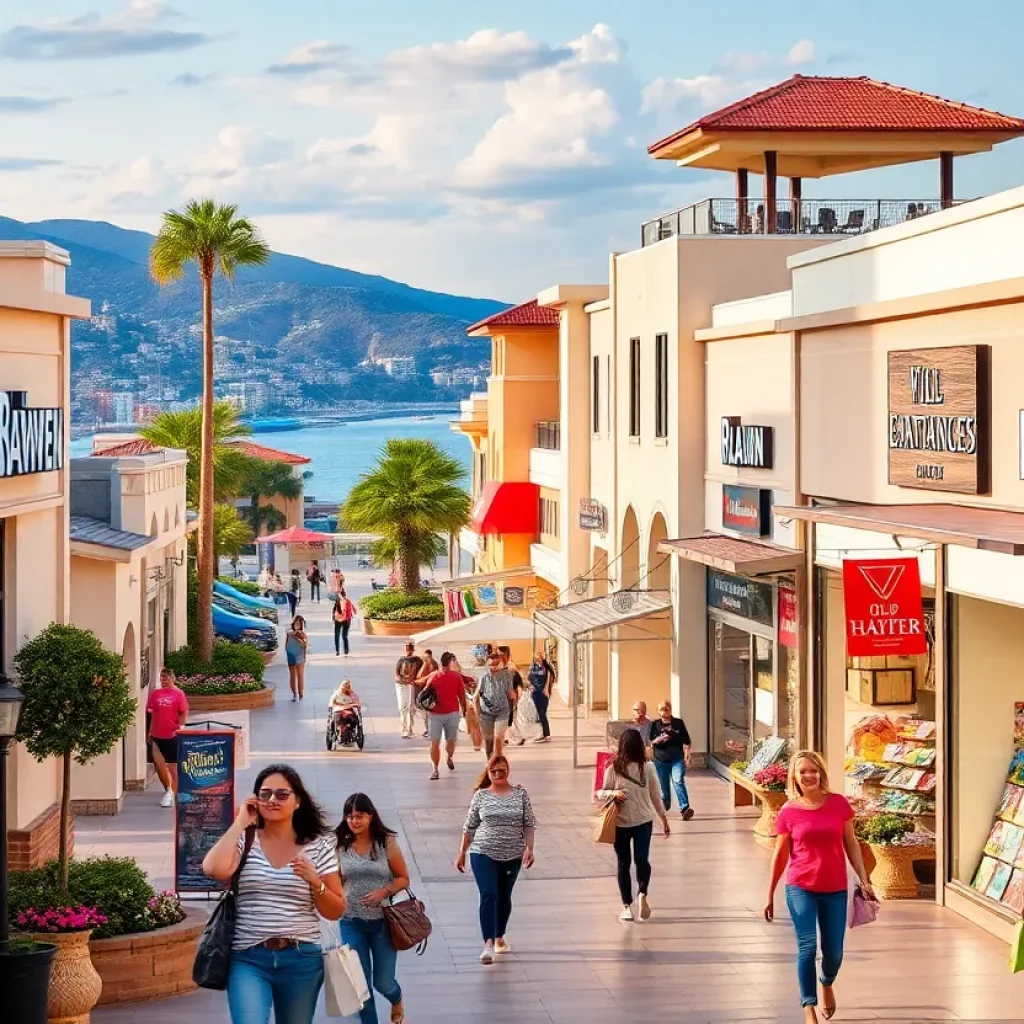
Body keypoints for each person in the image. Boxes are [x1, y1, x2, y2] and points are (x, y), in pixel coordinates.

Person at [202, 763, 345, 1024]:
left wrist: (315, 881)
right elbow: (212, 868)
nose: (272, 800)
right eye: (265, 794)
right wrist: (240, 823)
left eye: (282, 794)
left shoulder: (319, 845)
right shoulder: (245, 840)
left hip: (302, 959)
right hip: (248, 957)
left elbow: (335, 909)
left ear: (297, 801)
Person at [765, 751, 874, 1022]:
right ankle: (808, 1006)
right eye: (803, 771)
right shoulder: (789, 812)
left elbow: (851, 843)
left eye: (814, 771)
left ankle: (826, 982)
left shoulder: (838, 804)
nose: (809, 776)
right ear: (794, 777)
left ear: (821, 774)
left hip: (835, 888)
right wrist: (769, 894)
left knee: (834, 952)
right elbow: (780, 856)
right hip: (800, 886)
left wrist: (864, 878)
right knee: (807, 946)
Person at [335, 793, 410, 1024]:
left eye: (359, 816)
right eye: (349, 817)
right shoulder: (340, 844)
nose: (354, 821)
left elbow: (403, 878)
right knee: (361, 986)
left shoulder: (386, 842)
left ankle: (396, 999)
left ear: (370, 816)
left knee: (383, 983)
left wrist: (384, 891)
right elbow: (335, 880)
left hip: (382, 923)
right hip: (351, 922)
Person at [456, 755, 536, 964]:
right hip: (482, 851)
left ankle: (499, 935)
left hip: (512, 854)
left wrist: (530, 848)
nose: (498, 774)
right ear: (488, 773)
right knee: (488, 893)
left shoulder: (520, 795)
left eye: (502, 770)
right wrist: (461, 852)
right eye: (494, 771)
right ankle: (487, 944)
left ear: (508, 770)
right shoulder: (481, 796)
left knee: (503, 896)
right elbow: (469, 826)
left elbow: (529, 823)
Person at [597, 729, 669, 923]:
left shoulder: (622, 768)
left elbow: (599, 793)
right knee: (640, 860)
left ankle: (628, 904)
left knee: (625, 862)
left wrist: (612, 794)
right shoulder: (641, 768)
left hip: (629, 822)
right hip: (639, 821)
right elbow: (656, 796)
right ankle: (640, 895)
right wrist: (663, 818)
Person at [421, 652, 472, 780]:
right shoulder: (437, 676)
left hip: (449, 714)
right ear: (450, 663)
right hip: (437, 714)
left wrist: (464, 710)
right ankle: (435, 769)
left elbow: (461, 695)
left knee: (449, 742)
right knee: (436, 743)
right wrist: (465, 711)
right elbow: (426, 693)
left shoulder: (454, 677)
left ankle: (448, 757)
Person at [145, 667, 189, 808]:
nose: (163, 680)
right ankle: (168, 791)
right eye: (161, 678)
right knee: (159, 764)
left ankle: (178, 792)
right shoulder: (156, 694)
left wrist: (181, 727)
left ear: (172, 679)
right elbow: (153, 713)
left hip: (172, 734)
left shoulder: (179, 694)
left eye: (166, 678)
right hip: (157, 735)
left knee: (172, 766)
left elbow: (183, 713)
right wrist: (150, 732)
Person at [649, 700, 695, 820]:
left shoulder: (678, 723)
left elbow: (687, 741)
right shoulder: (654, 725)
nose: (664, 711)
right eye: (662, 709)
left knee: (678, 780)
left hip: (677, 758)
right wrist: (657, 740)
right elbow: (649, 742)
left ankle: (684, 808)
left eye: (667, 708)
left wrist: (688, 755)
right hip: (660, 759)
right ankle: (666, 804)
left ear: (670, 709)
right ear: (658, 711)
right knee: (663, 786)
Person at [475, 650, 516, 758]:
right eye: (491, 664)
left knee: (498, 738)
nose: (493, 667)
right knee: (489, 741)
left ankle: (497, 758)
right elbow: (478, 695)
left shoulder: (507, 675)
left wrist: (511, 709)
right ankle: (489, 762)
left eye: (496, 664)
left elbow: (509, 694)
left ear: (501, 663)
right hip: (486, 713)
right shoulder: (484, 677)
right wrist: (477, 714)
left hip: (502, 712)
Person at [393, 641, 423, 739]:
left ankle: (409, 728)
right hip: (401, 685)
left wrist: (414, 681)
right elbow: (396, 674)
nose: (408, 650)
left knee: (410, 707)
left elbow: (420, 673)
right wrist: (402, 680)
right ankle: (404, 727)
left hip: (411, 684)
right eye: (407, 648)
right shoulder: (401, 660)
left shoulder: (417, 661)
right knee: (402, 706)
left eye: (409, 648)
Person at [527, 653, 555, 742]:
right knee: (538, 714)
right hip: (535, 693)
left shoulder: (546, 669)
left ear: (542, 658)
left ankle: (546, 735)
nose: (537, 659)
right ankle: (541, 734)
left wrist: (547, 690)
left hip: (543, 693)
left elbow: (549, 680)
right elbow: (529, 678)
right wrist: (530, 686)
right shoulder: (532, 668)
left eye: (538, 657)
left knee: (542, 714)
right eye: (535, 658)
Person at [414, 649, 439, 739]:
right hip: (423, 689)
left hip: (430, 690)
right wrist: (424, 665)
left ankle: (430, 730)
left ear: (431, 656)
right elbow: (418, 676)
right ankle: (428, 729)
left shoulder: (434, 665)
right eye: (425, 657)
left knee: (429, 711)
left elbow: (429, 677)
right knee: (424, 712)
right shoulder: (424, 664)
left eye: (428, 657)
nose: (427, 659)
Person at [286, 615, 309, 701]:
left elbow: (306, 645)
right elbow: (286, 644)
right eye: (296, 623)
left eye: (299, 624)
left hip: (300, 656)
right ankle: (294, 693)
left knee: (300, 675)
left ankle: (301, 693)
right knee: (292, 676)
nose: (297, 625)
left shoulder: (303, 634)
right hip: (291, 655)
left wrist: (302, 638)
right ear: (293, 623)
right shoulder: (289, 633)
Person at [332, 589, 357, 657]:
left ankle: (337, 651)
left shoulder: (338, 601)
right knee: (344, 636)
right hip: (347, 620)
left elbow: (334, 610)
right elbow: (355, 610)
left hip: (338, 620)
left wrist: (333, 618)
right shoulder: (348, 601)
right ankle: (346, 650)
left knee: (337, 635)